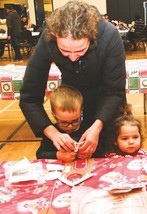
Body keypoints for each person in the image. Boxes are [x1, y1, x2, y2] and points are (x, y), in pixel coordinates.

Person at [19, 1, 127, 159]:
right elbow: (29, 96)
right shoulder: (47, 38)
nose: (73, 57)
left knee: (108, 155)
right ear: (54, 38)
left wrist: (96, 128)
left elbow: (114, 91)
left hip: (107, 99)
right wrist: (54, 134)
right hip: (73, 101)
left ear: (92, 37)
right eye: (64, 51)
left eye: (80, 50)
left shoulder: (109, 35)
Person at [37, 85, 89, 161]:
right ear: (54, 115)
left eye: (75, 121)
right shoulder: (51, 132)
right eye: (64, 122)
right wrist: (58, 155)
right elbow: (40, 154)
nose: (70, 126)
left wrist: (89, 153)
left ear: (81, 112)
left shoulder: (87, 129)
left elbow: (101, 151)